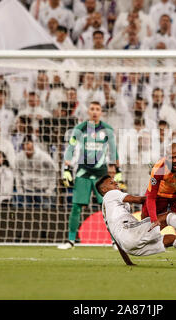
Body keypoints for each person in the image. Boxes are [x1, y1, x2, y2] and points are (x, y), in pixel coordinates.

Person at [96, 175, 176, 267]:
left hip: (129, 245)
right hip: (129, 232)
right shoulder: (110, 194)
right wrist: (162, 189)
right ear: (104, 189)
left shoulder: (107, 212)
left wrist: (128, 262)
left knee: (172, 239)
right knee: (167, 217)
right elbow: (141, 200)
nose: (116, 183)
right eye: (112, 183)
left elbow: (117, 240)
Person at [58, 101, 123, 249]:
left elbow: (114, 150)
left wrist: (118, 170)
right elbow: (70, 148)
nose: (95, 111)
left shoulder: (108, 129)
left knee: (108, 207)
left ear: (101, 112)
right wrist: (66, 168)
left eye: (97, 109)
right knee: (76, 206)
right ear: (88, 111)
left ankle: (114, 240)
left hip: (101, 173)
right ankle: (71, 241)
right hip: (84, 171)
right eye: (92, 108)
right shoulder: (80, 129)